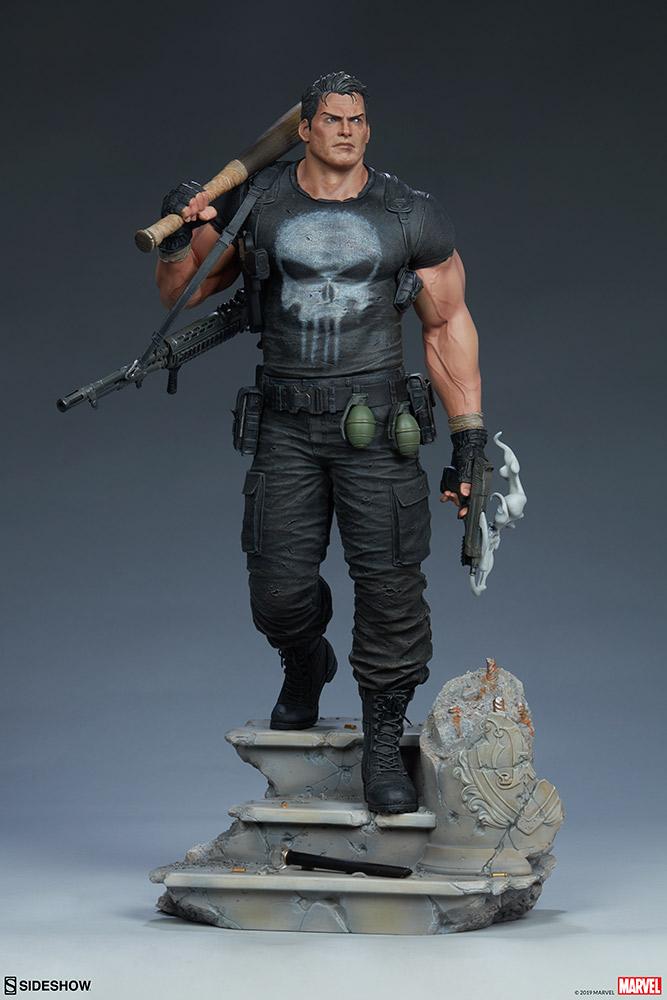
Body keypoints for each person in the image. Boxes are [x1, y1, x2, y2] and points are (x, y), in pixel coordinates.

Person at [155, 72, 486, 815]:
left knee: (391, 589)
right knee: (276, 592)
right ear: (304, 129)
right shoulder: (259, 204)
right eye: (332, 119)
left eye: (358, 120)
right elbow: (182, 291)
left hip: (378, 429)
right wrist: (177, 231)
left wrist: (469, 437)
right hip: (287, 426)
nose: (347, 131)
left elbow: (446, 324)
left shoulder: (408, 212)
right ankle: (305, 660)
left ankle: (381, 742)